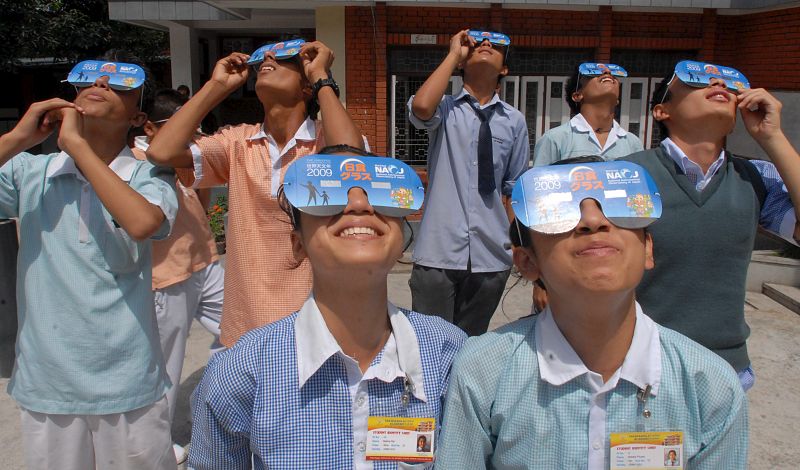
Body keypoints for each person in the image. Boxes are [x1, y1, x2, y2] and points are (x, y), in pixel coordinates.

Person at [436, 159, 748, 469]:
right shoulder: (482, 371)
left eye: (615, 202)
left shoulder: (711, 386)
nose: (593, 220)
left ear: (648, 249)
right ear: (527, 262)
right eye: (560, 211)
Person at [188, 151, 466, 469]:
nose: (359, 205)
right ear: (298, 243)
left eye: (377, 190)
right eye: (330, 192)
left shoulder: (450, 354)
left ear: (400, 235)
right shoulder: (242, 372)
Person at [0, 51, 178, 469]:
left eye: (118, 86)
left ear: (137, 118)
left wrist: (77, 147)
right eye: (90, 81)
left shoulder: (148, 174)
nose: (101, 87)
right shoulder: (31, 171)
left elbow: (142, 223)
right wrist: (18, 140)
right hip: (49, 384)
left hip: (129, 382)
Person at [147, 39, 365, 347]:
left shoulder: (325, 141)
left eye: (287, 57)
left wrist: (321, 77)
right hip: (246, 320)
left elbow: (350, 160)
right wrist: (216, 86)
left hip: (318, 317)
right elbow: (161, 151)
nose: (271, 56)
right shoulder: (238, 142)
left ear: (305, 87)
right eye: (264, 54)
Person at [623, 60, 800, 391]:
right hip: (640, 367)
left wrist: (772, 136)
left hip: (727, 369)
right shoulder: (629, 175)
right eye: (696, 80)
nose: (717, 84)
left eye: (729, 86)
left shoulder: (756, 177)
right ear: (663, 111)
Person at [407, 29, 529, 336]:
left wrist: (517, 244)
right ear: (462, 63)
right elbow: (420, 109)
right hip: (439, 249)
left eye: (496, 45)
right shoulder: (445, 108)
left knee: (470, 343)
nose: (486, 44)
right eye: (477, 44)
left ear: (504, 69)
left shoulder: (514, 121)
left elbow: (514, 189)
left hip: (491, 253)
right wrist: (452, 55)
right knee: (430, 342)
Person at [133, 88, 225, 464]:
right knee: (166, 365)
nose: (192, 133)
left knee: (245, 330)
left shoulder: (184, 157)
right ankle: (158, 444)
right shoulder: (136, 163)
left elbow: (198, 197)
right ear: (150, 128)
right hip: (167, 277)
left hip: (205, 262)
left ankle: (224, 405)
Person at [533, 63, 643, 167]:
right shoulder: (555, 139)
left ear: (617, 100)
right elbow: (538, 183)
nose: (607, 71)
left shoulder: (633, 143)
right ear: (577, 95)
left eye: (612, 73)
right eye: (593, 72)